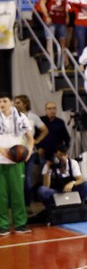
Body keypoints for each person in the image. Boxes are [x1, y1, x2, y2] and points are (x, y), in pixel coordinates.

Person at [0, 92, 33, 235]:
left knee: (18, 193)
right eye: (0, 101)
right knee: (1, 196)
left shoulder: (21, 117)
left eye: (5, 101)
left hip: (16, 161)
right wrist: (3, 151)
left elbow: (30, 138)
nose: (2, 104)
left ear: (12, 102)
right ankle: (3, 225)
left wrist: (29, 152)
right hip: (0, 161)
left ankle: (20, 224)